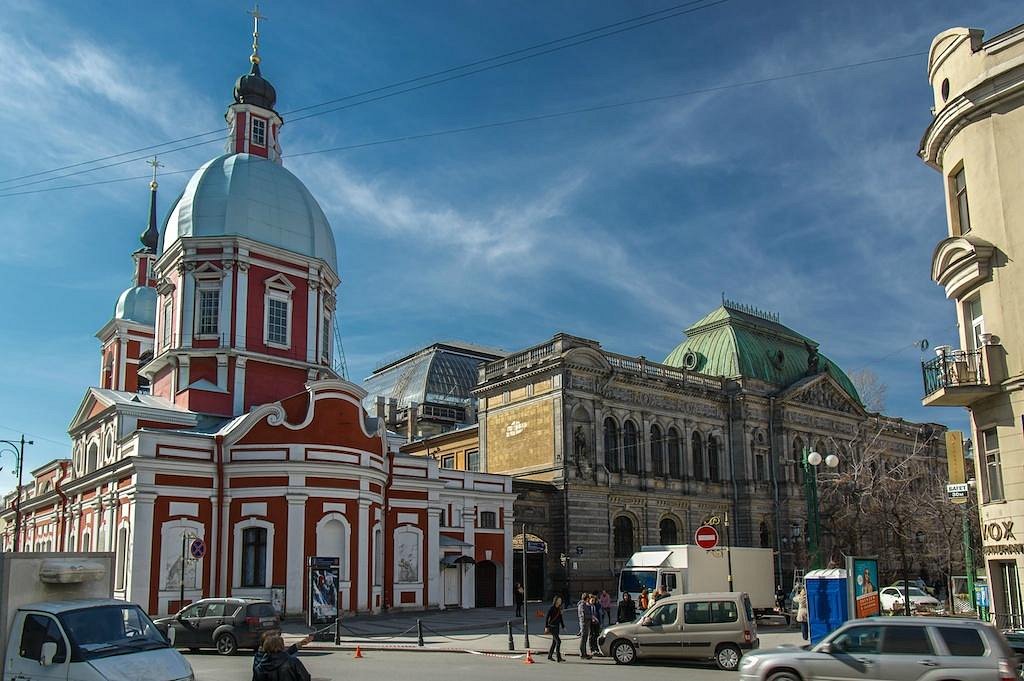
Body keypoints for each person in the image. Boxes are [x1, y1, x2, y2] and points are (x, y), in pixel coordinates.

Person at [545, 596, 566, 662]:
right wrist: (546, 627)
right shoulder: (551, 608)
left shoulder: (559, 608)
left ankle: (549, 655)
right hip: (552, 627)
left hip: (557, 627)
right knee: (558, 641)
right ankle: (558, 657)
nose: (560, 601)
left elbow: (560, 618)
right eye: (559, 600)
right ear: (556, 601)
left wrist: (563, 626)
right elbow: (547, 617)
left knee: (554, 642)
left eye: (561, 600)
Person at [577, 592, 594, 659]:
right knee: (583, 639)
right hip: (584, 624)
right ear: (586, 598)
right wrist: (591, 617)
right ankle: (582, 654)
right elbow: (584, 616)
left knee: (584, 639)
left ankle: (584, 653)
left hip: (586, 624)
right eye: (588, 598)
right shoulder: (582, 605)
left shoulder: (584, 605)